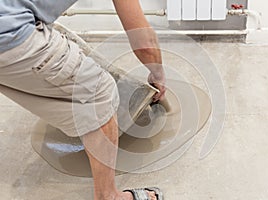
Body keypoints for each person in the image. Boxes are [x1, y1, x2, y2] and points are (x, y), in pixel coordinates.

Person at [0, 0, 166, 200]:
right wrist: (157, 73)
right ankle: (109, 196)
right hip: (10, 36)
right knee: (99, 92)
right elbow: (144, 43)